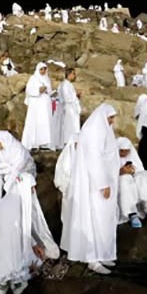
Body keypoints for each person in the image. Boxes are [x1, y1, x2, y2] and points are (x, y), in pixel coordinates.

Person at [0, 172, 59, 294]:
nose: (33, 191)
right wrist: (33, 246)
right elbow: (18, 235)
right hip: (7, 249)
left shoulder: (8, 200)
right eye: (32, 188)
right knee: (32, 259)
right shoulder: (16, 205)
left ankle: (4, 283)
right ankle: (16, 282)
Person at [60, 104, 119, 275]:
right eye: (110, 117)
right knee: (94, 220)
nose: (112, 121)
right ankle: (93, 258)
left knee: (105, 221)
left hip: (106, 182)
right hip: (96, 186)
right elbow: (95, 159)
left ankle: (104, 253)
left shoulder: (102, 129)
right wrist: (103, 184)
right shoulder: (95, 131)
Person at [116, 137, 147, 228]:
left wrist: (133, 171)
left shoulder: (132, 155)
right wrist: (121, 171)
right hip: (120, 181)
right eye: (122, 151)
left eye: (127, 151)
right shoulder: (112, 156)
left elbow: (139, 168)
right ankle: (132, 213)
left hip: (133, 178)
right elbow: (108, 175)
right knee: (124, 180)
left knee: (145, 176)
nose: (124, 153)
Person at [0, 131, 36, 206]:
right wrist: (5, 167)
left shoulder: (18, 149)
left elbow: (18, 167)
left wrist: (6, 186)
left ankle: (8, 199)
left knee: (10, 179)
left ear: (5, 141)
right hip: (6, 169)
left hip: (23, 170)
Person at [21, 62, 55, 151]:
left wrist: (49, 92)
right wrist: (38, 90)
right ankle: (34, 143)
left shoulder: (47, 79)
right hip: (36, 105)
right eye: (41, 69)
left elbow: (50, 91)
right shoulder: (33, 78)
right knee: (36, 123)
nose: (43, 71)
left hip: (45, 104)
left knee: (45, 123)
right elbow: (28, 90)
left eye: (44, 69)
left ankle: (45, 143)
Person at [58, 67, 82, 147]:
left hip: (72, 107)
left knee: (73, 125)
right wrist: (76, 94)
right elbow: (66, 98)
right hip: (69, 108)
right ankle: (68, 141)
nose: (75, 76)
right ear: (69, 74)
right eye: (74, 74)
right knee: (69, 125)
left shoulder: (68, 84)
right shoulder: (65, 85)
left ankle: (73, 141)